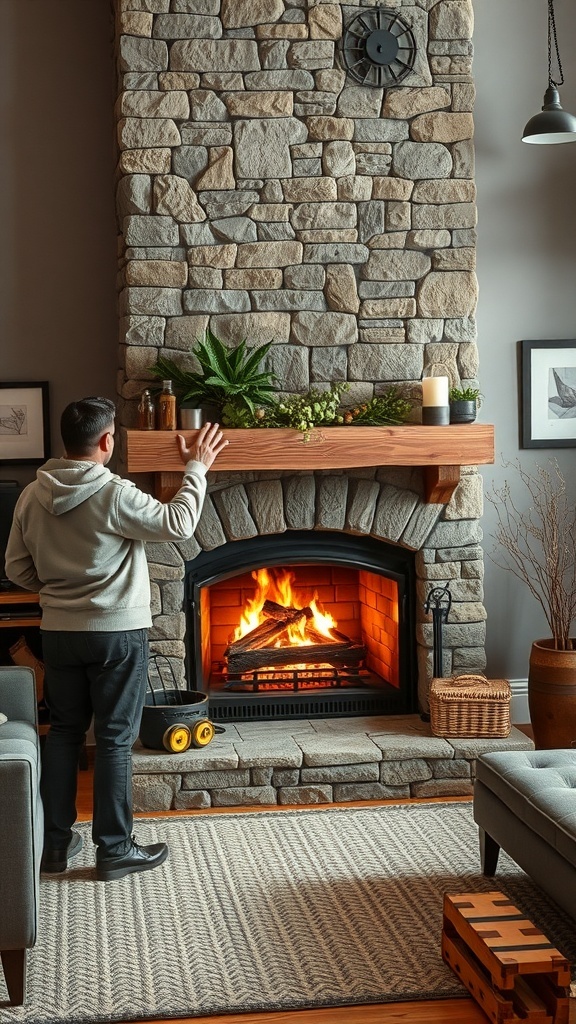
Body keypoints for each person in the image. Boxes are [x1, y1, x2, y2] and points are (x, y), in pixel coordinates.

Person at [5, 397, 228, 882]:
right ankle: (114, 850)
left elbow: (16, 568)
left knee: (63, 735)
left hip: (59, 633)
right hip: (116, 634)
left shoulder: (30, 495)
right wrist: (197, 468)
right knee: (113, 740)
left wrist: (61, 592)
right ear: (106, 441)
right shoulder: (113, 493)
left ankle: (54, 848)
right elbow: (179, 524)